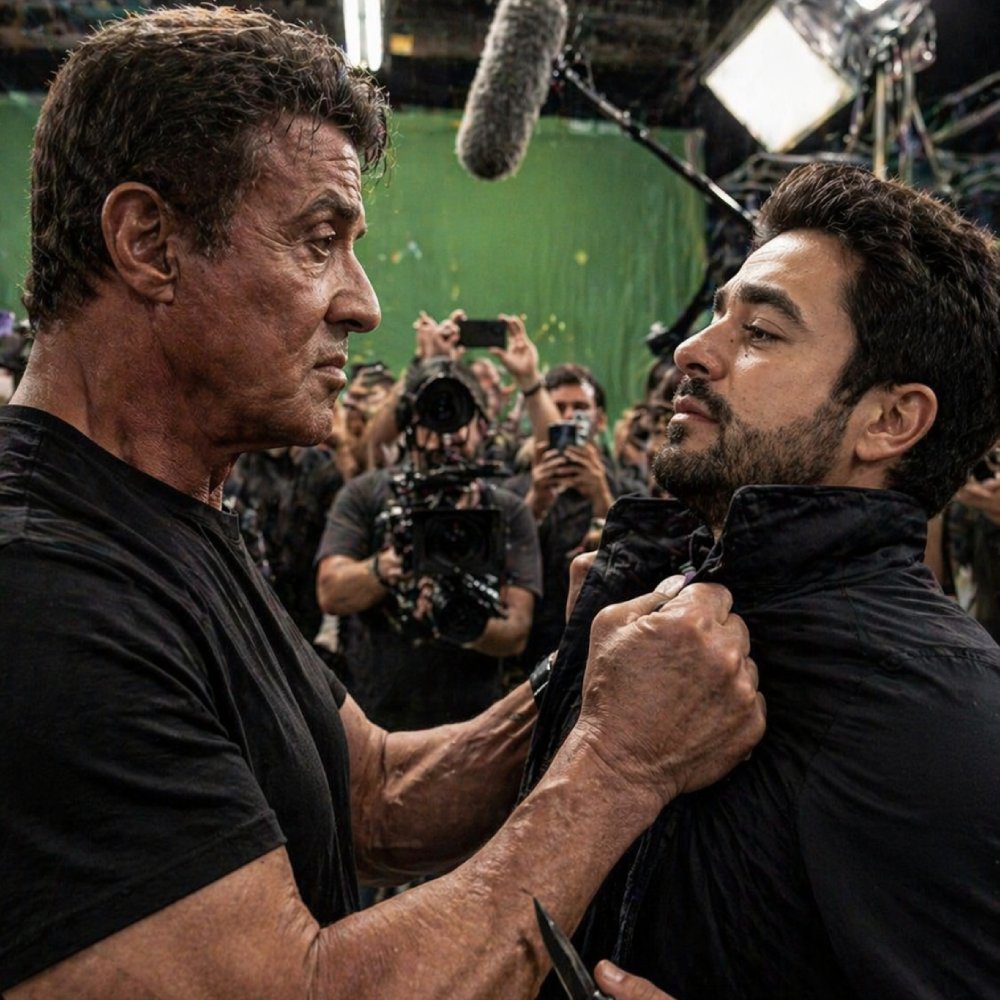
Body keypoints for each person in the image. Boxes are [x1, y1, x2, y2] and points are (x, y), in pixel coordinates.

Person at [0, 8, 765, 998]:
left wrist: (587, 667)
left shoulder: (170, 511)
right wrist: (619, 766)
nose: (363, 303)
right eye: (319, 241)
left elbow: (373, 791)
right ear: (149, 242)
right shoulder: (41, 592)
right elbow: (299, 991)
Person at [525, 162, 1000, 999]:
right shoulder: (652, 605)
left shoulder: (941, 713)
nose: (691, 351)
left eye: (762, 333)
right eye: (718, 314)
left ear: (890, 420)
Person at [315, 356, 542, 731]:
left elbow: (516, 631)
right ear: (409, 426)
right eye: (431, 419)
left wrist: (452, 614)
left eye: (458, 417)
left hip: (470, 723)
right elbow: (331, 592)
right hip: (375, 717)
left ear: (480, 425)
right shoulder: (366, 494)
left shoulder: (506, 511)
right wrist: (390, 566)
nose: (445, 436)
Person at [505, 362, 647, 670]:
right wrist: (535, 503)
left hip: (605, 653)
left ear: (600, 420)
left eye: (580, 408)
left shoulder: (630, 492)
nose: (568, 417)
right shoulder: (514, 491)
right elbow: (500, 564)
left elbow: (644, 567)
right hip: (527, 655)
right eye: (558, 408)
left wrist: (602, 498)